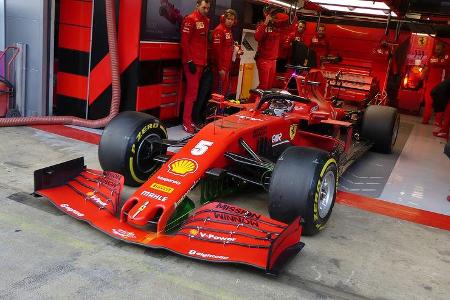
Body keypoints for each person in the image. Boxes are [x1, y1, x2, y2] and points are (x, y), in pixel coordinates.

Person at [180, 0, 210, 133]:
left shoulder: (206, 21)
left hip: (201, 63)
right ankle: (186, 122)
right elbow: (184, 42)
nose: (206, 10)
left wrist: (204, 61)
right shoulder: (190, 19)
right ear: (197, 6)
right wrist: (189, 61)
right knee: (191, 94)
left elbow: (203, 44)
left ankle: (190, 119)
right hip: (192, 63)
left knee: (195, 94)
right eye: (204, 7)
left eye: (208, 8)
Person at [211, 9, 241, 96]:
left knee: (224, 94)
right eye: (228, 19)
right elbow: (217, 52)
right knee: (218, 95)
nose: (230, 21)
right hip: (221, 69)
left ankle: (221, 110)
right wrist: (220, 69)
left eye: (232, 19)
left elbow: (229, 47)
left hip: (227, 68)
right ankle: (216, 110)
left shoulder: (229, 30)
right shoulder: (219, 30)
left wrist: (236, 51)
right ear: (224, 18)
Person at [422, 41, 450, 125]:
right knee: (428, 101)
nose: (437, 51)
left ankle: (438, 121)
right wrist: (423, 75)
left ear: (443, 49)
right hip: (430, 83)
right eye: (436, 49)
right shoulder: (432, 57)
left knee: (440, 102)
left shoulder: (447, 57)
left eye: (439, 49)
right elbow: (427, 68)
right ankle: (425, 119)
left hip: (441, 84)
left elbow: (446, 65)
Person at [254, 6, 282, 90]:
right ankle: (252, 102)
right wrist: (266, 22)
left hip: (273, 60)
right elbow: (257, 37)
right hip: (264, 60)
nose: (274, 16)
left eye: (275, 14)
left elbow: (290, 23)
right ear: (267, 14)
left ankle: (263, 103)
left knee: (269, 87)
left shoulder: (278, 27)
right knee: (263, 86)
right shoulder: (262, 26)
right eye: (272, 14)